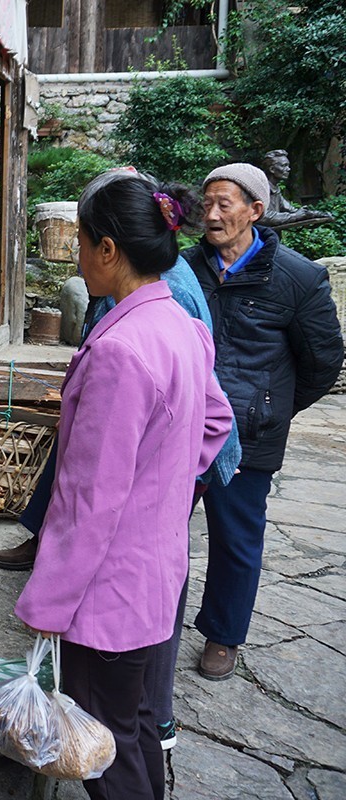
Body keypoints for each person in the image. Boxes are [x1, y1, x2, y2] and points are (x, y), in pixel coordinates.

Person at [0, 169, 244, 750]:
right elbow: (215, 420)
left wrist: (48, 602)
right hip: (154, 567)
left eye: (81, 245)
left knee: (109, 747)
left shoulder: (118, 351)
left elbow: (90, 500)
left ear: (108, 248)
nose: (78, 260)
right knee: (128, 733)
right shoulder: (176, 323)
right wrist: (168, 479)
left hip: (109, 589)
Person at [183, 163, 344, 680]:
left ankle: (223, 636)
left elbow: (323, 362)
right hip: (184, 426)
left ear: (256, 210)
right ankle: (154, 618)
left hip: (248, 434)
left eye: (223, 205)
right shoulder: (186, 267)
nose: (211, 215)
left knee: (236, 538)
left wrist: (270, 408)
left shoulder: (297, 277)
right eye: (205, 204)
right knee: (160, 530)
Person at [258, 149, 334, 230]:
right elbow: (263, 216)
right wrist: (295, 216)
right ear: (272, 169)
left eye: (288, 165)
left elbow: (292, 210)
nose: (288, 169)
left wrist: (316, 214)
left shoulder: (275, 189)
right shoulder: (261, 189)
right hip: (260, 239)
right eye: (284, 166)